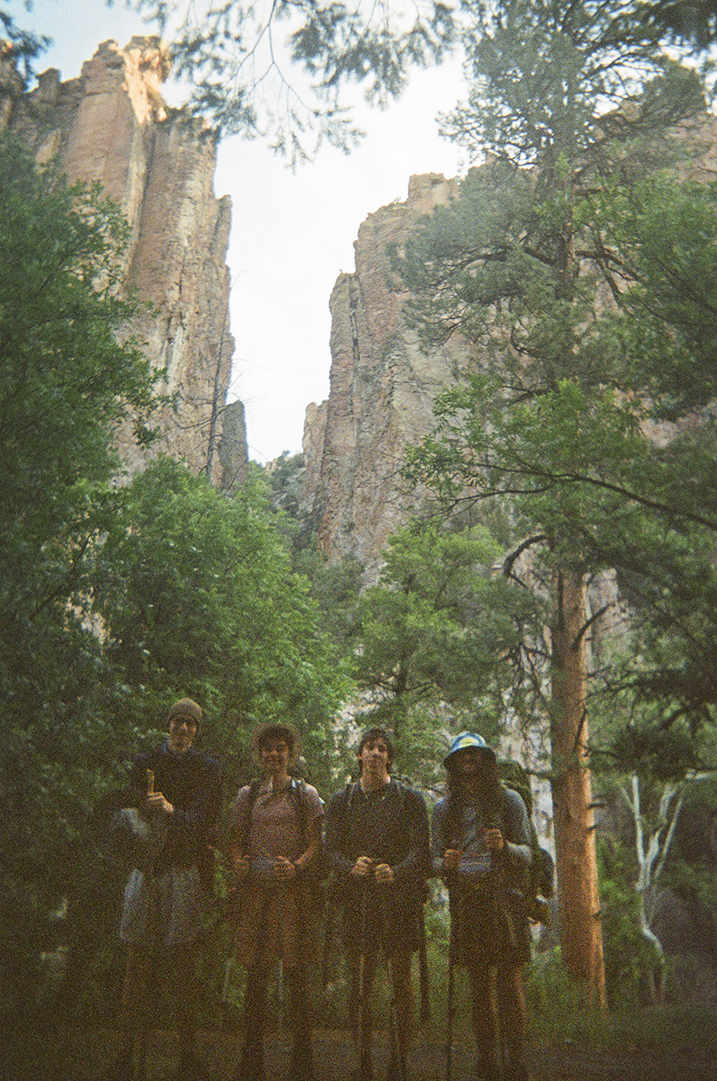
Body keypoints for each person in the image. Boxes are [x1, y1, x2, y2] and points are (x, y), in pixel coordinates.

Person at [108, 697, 222, 1081]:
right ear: (168, 724)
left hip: (183, 870)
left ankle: (187, 1055)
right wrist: (143, 804)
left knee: (182, 965)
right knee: (135, 962)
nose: (184, 729)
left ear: (197, 729)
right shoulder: (145, 763)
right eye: (178, 721)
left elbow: (205, 820)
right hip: (146, 868)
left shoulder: (207, 768)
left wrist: (173, 811)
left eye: (191, 723)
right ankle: (124, 1053)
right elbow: (127, 810)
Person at [325, 726, 430, 1081]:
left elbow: (422, 850)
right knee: (360, 986)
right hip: (357, 901)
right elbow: (330, 849)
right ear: (359, 754)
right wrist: (349, 867)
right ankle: (363, 1060)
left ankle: (399, 1062)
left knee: (400, 983)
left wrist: (396, 872)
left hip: (399, 902)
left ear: (389, 757)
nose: (375, 753)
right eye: (369, 747)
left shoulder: (409, 799)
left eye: (382, 748)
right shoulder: (343, 800)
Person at [432, 732, 533, 1081]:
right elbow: (433, 860)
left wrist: (505, 847)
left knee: (509, 979)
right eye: (462, 757)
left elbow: (529, 854)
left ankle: (516, 1060)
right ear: (454, 766)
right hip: (468, 900)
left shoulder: (510, 802)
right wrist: (445, 861)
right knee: (479, 983)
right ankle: (487, 1059)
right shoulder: (445, 810)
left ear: (486, 760)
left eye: (474, 755)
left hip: (505, 899)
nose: (468, 762)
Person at [227, 721, 323, 1081]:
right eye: (267, 748)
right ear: (259, 753)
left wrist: (296, 867)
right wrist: (237, 861)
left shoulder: (306, 795)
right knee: (256, 974)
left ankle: (303, 1063)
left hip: (292, 893)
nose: (273, 754)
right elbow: (236, 840)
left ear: (290, 753)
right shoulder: (247, 795)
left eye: (280, 748)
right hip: (256, 893)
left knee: (297, 974)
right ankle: (251, 1062)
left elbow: (317, 844)